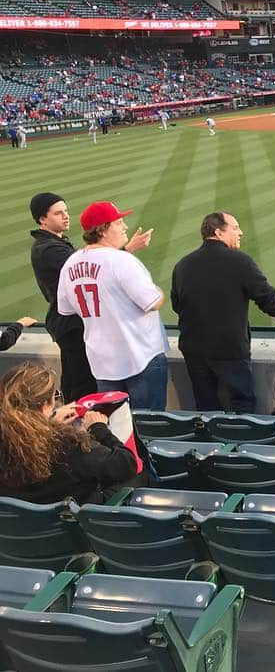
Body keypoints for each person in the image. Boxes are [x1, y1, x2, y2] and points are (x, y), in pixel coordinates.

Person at [171, 212, 275, 413]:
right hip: (229, 348)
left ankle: (212, 445)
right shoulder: (239, 261)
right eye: (235, 228)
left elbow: (177, 305)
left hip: (193, 349)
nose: (240, 232)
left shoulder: (182, 265)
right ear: (218, 232)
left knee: (206, 409)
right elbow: (266, 296)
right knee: (242, 406)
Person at [30, 193, 151, 403]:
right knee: (82, 385)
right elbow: (92, 271)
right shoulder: (48, 249)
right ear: (42, 219)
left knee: (84, 381)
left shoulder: (54, 244)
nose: (66, 216)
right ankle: (80, 430)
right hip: (71, 325)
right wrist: (129, 249)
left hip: (74, 323)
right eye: (58, 213)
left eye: (66, 211)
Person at [56, 201, 168, 411]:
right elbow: (152, 302)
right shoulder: (121, 260)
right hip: (140, 356)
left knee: (114, 428)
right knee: (145, 427)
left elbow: (65, 309)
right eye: (119, 222)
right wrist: (159, 292)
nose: (125, 227)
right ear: (104, 229)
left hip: (102, 362)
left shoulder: (70, 263)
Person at [0, 362, 139, 504]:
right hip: (73, 519)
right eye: (55, 396)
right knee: (139, 475)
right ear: (45, 405)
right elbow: (127, 463)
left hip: (19, 519)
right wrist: (99, 428)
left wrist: (50, 424)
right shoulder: (69, 444)